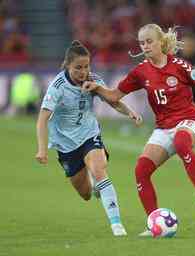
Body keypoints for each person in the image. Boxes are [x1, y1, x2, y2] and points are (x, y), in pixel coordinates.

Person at [82, 24, 195, 236]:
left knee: (180, 141)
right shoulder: (140, 72)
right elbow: (114, 96)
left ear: (160, 42)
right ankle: (154, 223)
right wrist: (97, 88)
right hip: (163, 128)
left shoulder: (181, 66)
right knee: (141, 171)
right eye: (142, 43)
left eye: (149, 41)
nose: (145, 46)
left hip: (190, 121)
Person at [35, 40, 142, 236]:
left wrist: (129, 112)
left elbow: (112, 100)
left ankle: (117, 225)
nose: (83, 72)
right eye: (78, 68)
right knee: (85, 194)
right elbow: (42, 119)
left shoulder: (93, 80)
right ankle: (94, 185)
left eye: (86, 66)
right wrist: (42, 149)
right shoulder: (58, 86)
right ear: (67, 65)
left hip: (89, 134)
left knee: (99, 169)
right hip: (66, 144)